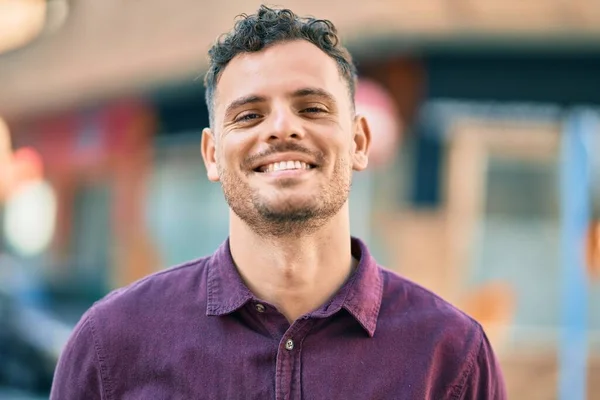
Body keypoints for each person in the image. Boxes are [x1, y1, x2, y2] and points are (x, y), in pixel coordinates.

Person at [50, 5, 506, 399]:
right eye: (249, 115)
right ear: (212, 155)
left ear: (359, 141)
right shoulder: (111, 345)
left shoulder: (451, 355)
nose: (282, 129)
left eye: (312, 108)